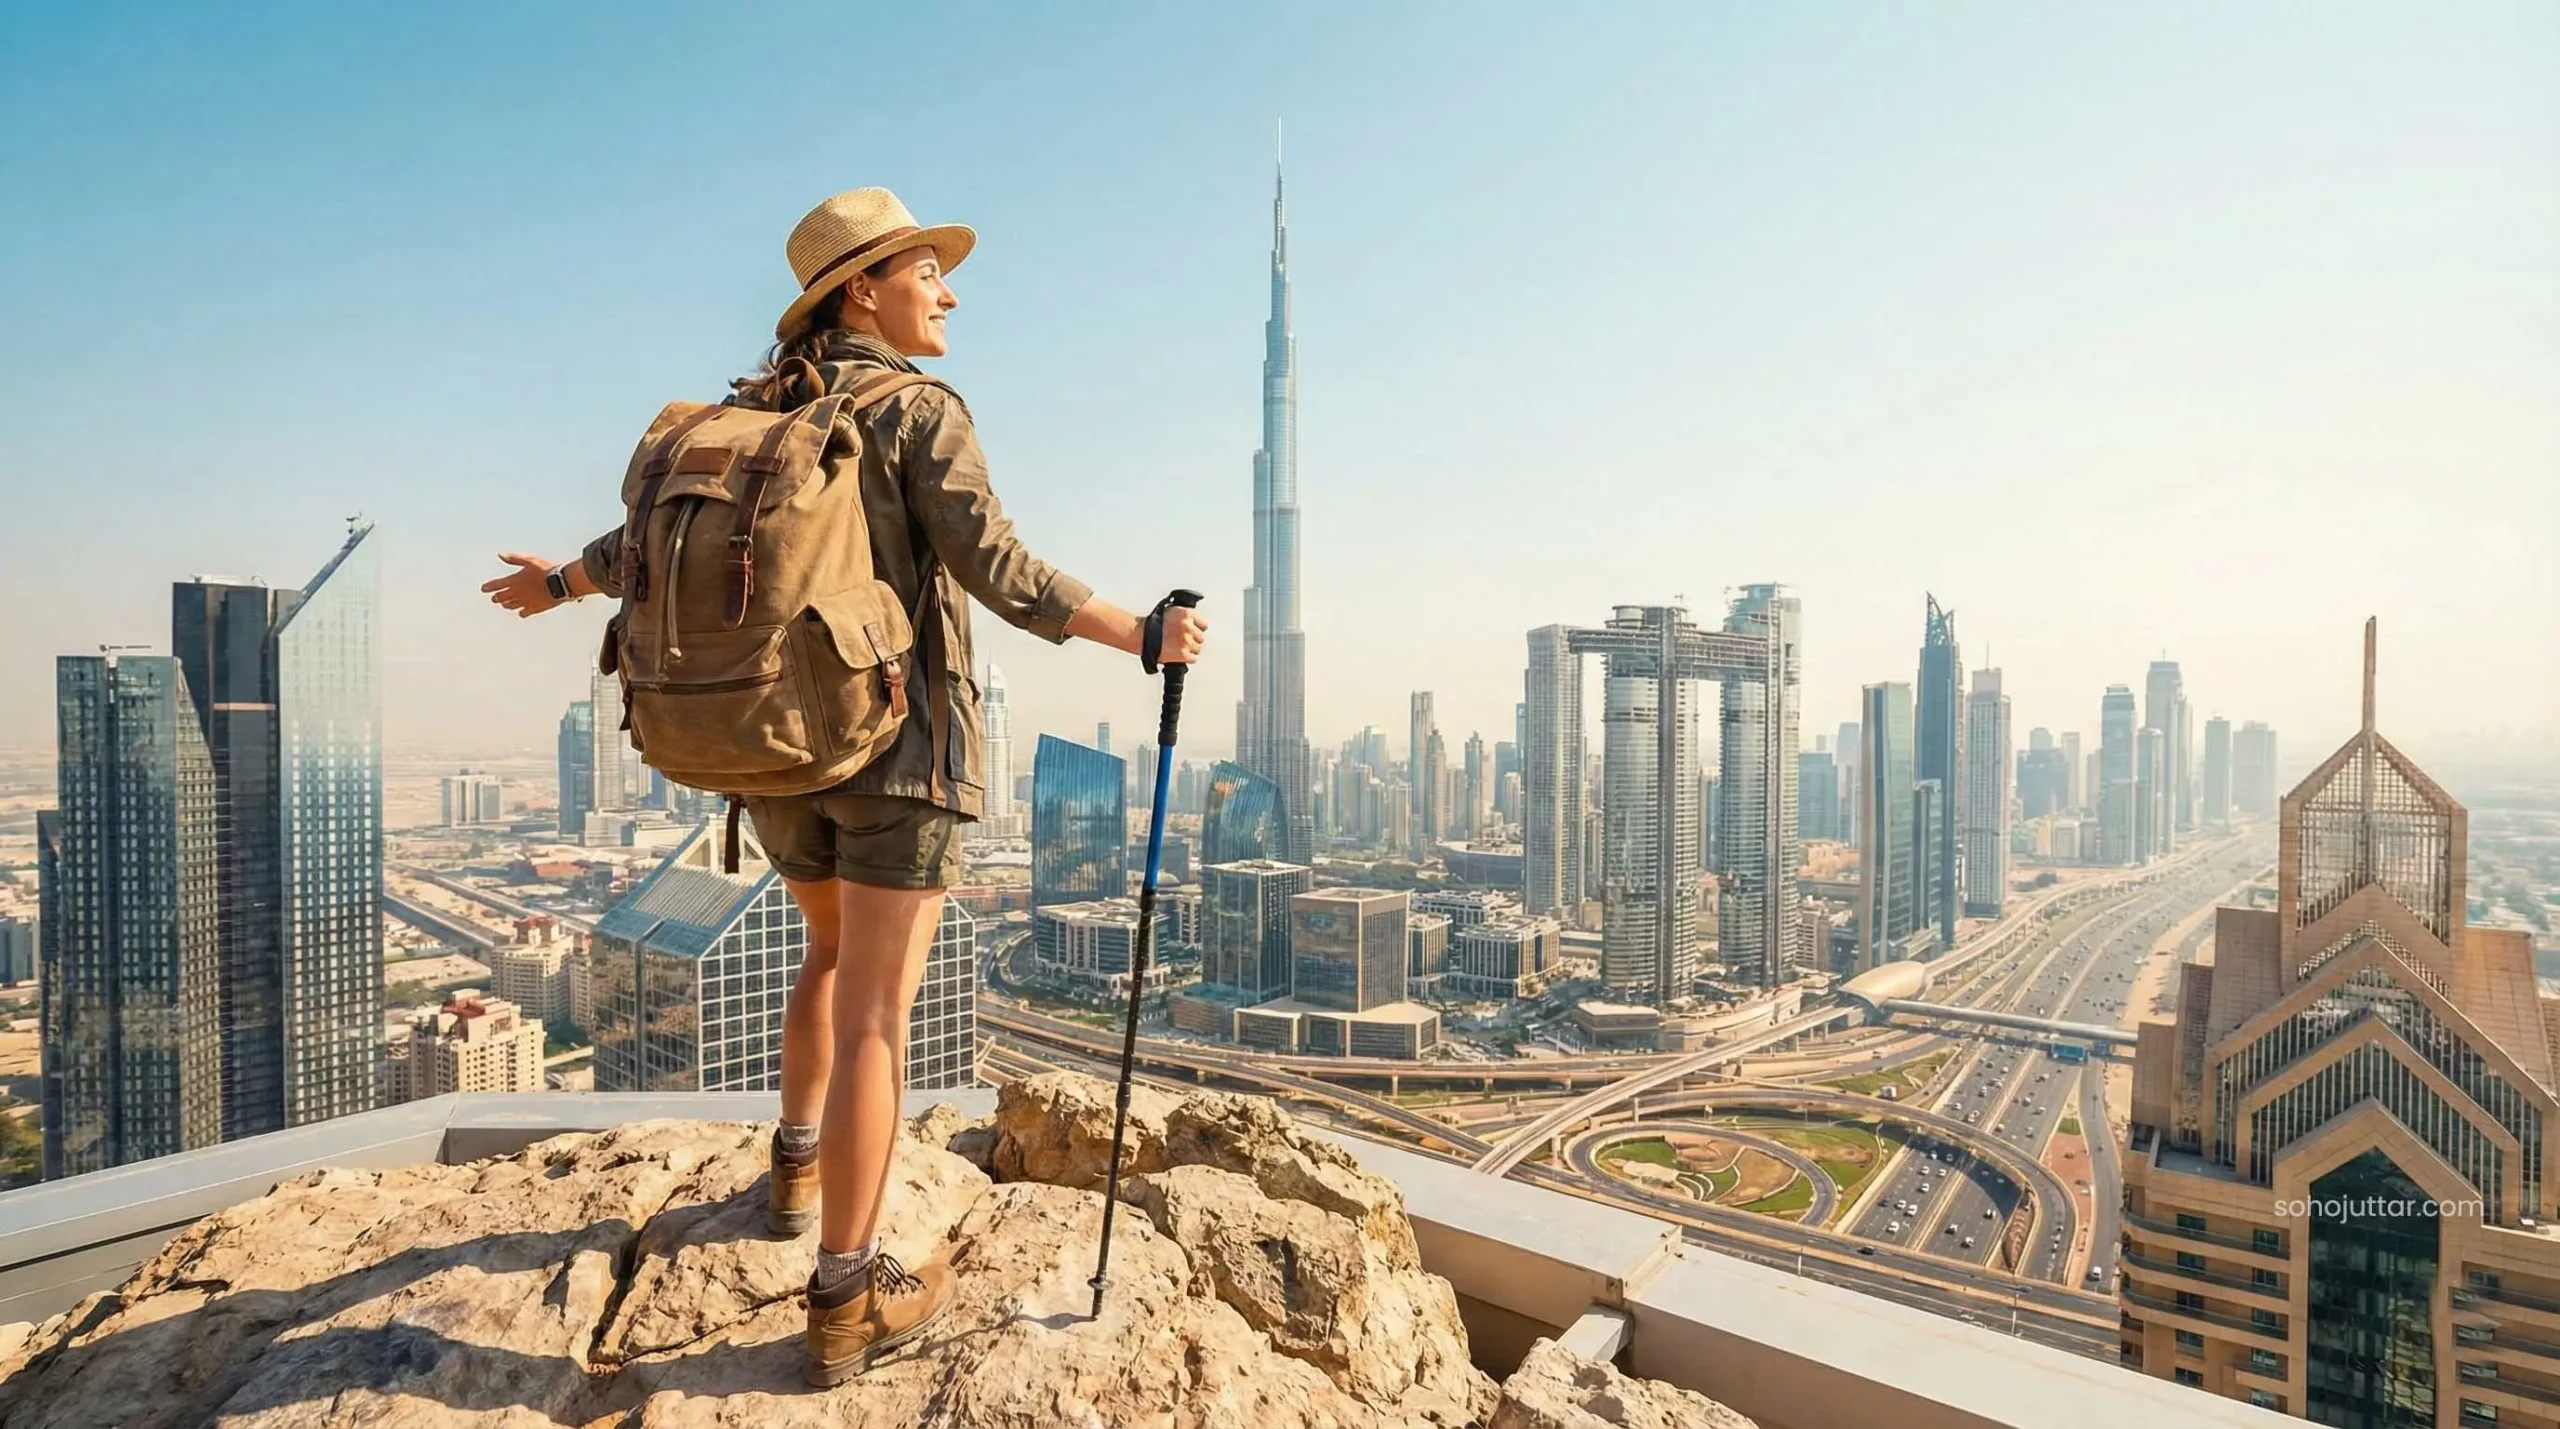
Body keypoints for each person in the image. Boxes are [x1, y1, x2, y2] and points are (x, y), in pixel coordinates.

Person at [481, 187, 1208, 1386]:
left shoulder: (743, 418)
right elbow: (996, 564)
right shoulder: (917, 409)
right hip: (897, 751)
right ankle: (845, 1291)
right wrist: (1141, 633)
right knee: (878, 1007)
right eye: (928, 270)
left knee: (824, 961)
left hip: (771, 749)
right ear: (860, 289)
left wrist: (556, 582)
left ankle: (795, 1164)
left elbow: (640, 553)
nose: (950, 290)